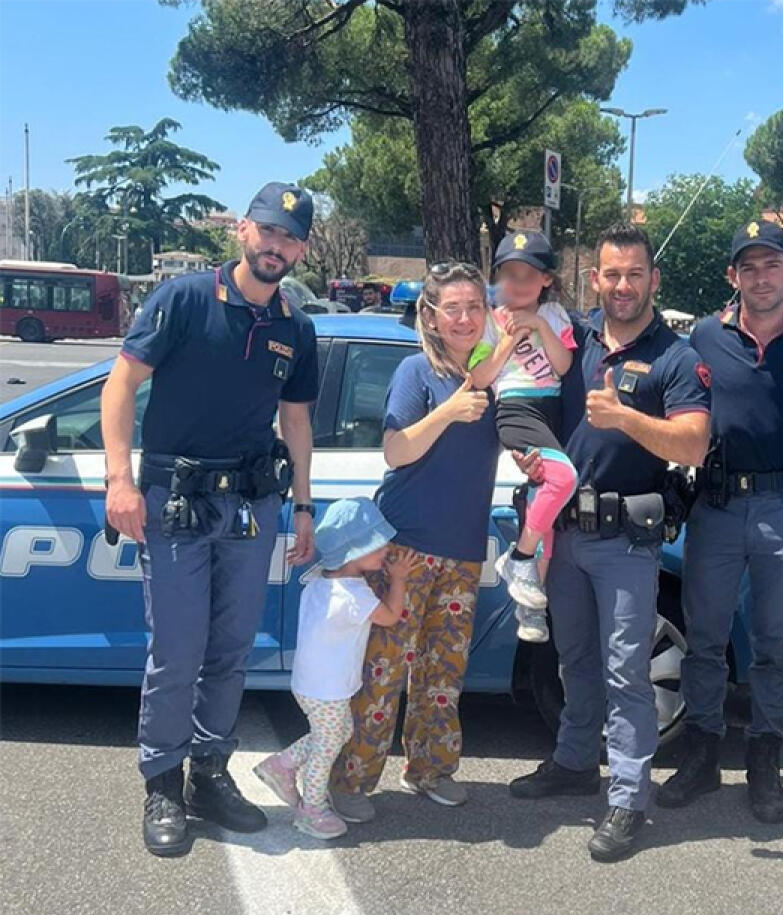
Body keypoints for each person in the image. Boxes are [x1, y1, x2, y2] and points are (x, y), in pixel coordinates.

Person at [101, 181, 319, 857]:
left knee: (230, 649)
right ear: (243, 231)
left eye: (290, 238)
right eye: (268, 230)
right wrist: (119, 480)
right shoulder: (185, 299)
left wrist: (303, 505)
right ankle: (163, 783)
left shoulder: (295, 326)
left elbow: (296, 421)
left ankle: (209, 773)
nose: (276, 245)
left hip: (250, 504)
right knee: (178, 650)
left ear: (301, 250)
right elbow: (120, 384)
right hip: (176, 498)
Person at [508, 223, 711, 862]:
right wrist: (528, 454)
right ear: (594, 278)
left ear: (654, 280)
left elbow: (693, 443)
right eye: (612, 274)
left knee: (626, 673)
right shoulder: (571, 338)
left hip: (625, 539)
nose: (622, 286)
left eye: (634, 274)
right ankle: (574, 762)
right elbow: (533, 401)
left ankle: (627, 796)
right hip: (565, 533)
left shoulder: (674, 357)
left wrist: (625, 417)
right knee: (573, 660)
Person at [657, 221, 783, 824]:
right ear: (732, 276)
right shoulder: (705, 335)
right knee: (705, 639)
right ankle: (703, 754)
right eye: (749, 268)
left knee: (775, 644)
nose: (762, 278)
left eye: (772, 265)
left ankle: (766, 757)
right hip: (715, 505)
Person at [328, 262, 498, 819]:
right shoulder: (416, 372)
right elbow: (396, 451)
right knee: (382, 672)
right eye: (453, 308)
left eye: (475, 307)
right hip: (405, 548)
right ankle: (351, 781)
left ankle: (430, 769)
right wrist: (449, 411)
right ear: (431, 315)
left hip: (463, 549)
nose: (465, 318)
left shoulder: (492, 377)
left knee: (442, 674)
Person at [253, 498, 420, 838]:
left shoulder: (320, 580)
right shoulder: (353, 595)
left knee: (337, 733)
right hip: (327, 689)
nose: (386, 550)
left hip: (313, 683)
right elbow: (390, 616)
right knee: (328, 746)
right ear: (352, 552)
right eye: (376, 545)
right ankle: (311, 809)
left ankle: (281, 765)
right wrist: (399, 579)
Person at [470, 230, 577, 644]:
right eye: (508, 274)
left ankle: (531, 607)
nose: (517, 283)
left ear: (546, 279)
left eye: (528, 275)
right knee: (564, 478)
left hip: (550, 409)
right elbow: (480, 377)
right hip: (515, 407)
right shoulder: (489, 320)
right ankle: (519, 557)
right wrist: (509, 339)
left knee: (544, 503)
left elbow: (563, 366)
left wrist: (537, 325)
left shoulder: (555, 315)